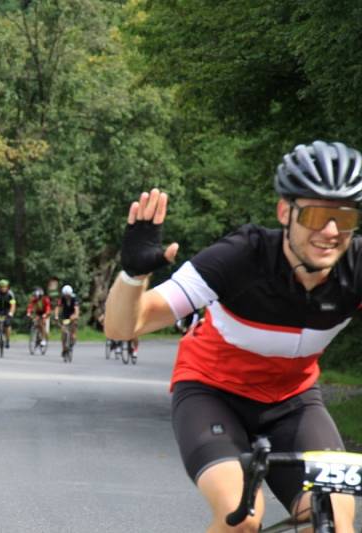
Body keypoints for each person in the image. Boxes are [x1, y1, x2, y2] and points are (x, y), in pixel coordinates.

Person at [104, 140, 362, 532]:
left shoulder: (355, 269)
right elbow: (123, 327)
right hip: (212, 395)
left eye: (343, 219)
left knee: (332, 522)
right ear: (284, 212)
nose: (329, 232)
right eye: (315, 215)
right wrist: (133, 275)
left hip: (294, 404)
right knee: (242, 516)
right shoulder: (240, 257)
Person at [0, 279, 16, 348]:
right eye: (1, 287)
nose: (3, 288)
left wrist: (11, 313)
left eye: (5, 287)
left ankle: (7, 340)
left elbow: (13, 305)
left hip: (7, 309)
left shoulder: (10, 294)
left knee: (7, 324)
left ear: (7, 287)